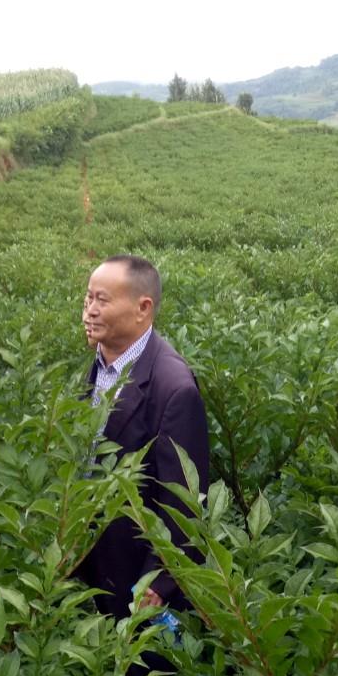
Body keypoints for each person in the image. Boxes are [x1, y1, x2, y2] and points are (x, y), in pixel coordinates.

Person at [75, 254, 209, 624]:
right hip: (87, 561)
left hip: (134, 579)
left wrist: (159, 582)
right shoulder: (97, 365)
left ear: (142, 308)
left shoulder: (174, 388)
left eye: (102, 300)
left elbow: (183, 499)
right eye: (88, 298)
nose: (90, 311)